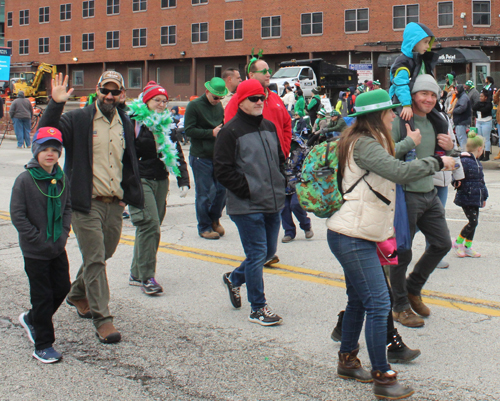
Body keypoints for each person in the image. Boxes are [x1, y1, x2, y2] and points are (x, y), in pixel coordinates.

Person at [328, 89, 454, 400]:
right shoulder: (365, 144)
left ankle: (347, 360)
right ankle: (383, 377)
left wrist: (409, 144)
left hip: (358, 233)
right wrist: (438, 162)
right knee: (380, 302)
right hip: (352, 235)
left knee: (359, 300)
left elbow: (389, 156)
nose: (394, 115)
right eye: (389, 112)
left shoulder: (367, 141)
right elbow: (398, 171)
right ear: (376, 116)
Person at [38, 72, 144, 344]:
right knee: (95, 258)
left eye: (114, 91)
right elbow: (46, 133)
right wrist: (56, 103)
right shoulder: (79, 119)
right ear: (97, 90)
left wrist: (126, 196)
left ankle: (76, 293)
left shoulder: (126, 121)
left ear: (121, 93)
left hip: (114, 202)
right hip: (85, 203)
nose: (109, 96)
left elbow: (130, 161)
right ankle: (103, 319)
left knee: (104, 253)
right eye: (104, 90)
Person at [214, 79, 286, 326]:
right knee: (256, 253)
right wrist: (248, 189)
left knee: (267, 252)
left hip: (272, 201)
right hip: (246, 205)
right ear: (240, 101)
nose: (258, 102)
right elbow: (222, 170)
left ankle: (234, 279)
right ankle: (258, 307)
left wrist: (281, 181)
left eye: (261, 98)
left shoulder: (268, 126)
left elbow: (279, 159)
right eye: (253, 98)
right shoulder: (229, 131)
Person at [390, 75, 455, 328]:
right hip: (406, 194)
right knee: (402, 252)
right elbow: (386, 155)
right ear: (413, 95)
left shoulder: (436, 120)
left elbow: (442, 156)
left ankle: (412, 288)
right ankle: (400, 306)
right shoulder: (399, 119)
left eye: (433, 95)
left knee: (441, 244)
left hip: (430, 190)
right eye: (423, 94)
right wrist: (409, 142)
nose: (429, 99)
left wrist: (450, 147)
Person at [11, 127, 71, 363]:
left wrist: (63, 233)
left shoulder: (61, 177)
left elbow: (67, 207)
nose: (49, 153)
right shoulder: (25, 180)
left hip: (57, 246)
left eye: (54, 149)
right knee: (43, 296)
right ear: (36, 150)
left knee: (62, 288)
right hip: (35, 250)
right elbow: (18, 215)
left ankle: (32, 318)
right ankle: (43, 345)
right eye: (44, 148)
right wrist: (37, 238)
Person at [127, 82, 190, 295]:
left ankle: (136, 273)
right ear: (146, 101)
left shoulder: (166, 123)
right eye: (157, 100)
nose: (162, 104)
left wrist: (183, 179)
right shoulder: (133, 122)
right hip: (140, 179)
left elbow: (177, 152)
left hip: (160, 179)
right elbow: (123, 154)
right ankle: (147, 277)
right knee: (149, 225)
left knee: (150, 228)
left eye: (165, 101)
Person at [185, 77, 227, 240]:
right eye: (215, 97)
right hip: (200, 156)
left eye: (220, 97)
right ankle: (204, 226)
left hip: (217, 154)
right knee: (205, 193)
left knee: (221, 190)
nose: (217, 100)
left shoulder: (219, 106)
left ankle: (215, 219)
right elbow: (188, 130)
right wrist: (211, 133)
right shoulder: (194, 106)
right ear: (207, 91)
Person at [225, 56, 292, 157]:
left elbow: (287, 124)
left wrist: (284, 149)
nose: (269, 75)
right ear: (251, 75)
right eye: (264, 71)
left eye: (269, 71)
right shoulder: (238, 99)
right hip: (253, 163)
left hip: (277, 160)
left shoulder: (275, 98)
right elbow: (229, 132)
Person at [389, 22, 436, 123]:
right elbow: (400, 83)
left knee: (441, 122)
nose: (428, 46)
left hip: (420, 102)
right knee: (405, 123)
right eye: (425, 42)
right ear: (414, 42)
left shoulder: (422, 60)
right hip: (401, 102)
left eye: (429, 42)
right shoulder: (403, 62)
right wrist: (406, 104)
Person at [452, 133, 488, 258]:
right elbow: (455, 174)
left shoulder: (477, 162)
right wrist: (456, 183)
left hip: (476, 197)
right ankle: (458, 242)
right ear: (479, 149)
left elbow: (481, 181)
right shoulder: (464, 161)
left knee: (475, 222)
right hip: (466, 196)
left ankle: (468, 246)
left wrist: (484, 197)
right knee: (473, 221)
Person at [472, 89, 493, 161]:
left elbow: (485, 110)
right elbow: (474, 108)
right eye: (480, 96)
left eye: (482, 96)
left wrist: (479, 108)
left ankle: (487, 154)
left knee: (486, 138)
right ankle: (481, 154)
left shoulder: (489, 103)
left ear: (486, 97)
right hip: (479, 121)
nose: (480, 98)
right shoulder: (478, 103)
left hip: (486, 121)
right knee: (480, 139)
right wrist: (480, 108)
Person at [453, 84, 472, 150]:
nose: (455, 91)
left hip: (462, 121)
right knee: (460, 138)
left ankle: (465, 153)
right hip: (460, 121)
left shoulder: (463, 97)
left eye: (456, 90)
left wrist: (454, 110)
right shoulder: (461, 97)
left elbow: (462, 108)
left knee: (462, 138)